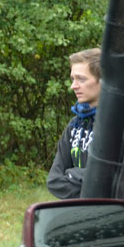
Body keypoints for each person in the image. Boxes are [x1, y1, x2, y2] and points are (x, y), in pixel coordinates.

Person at [47, 48, 101, 199]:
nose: (73, 86)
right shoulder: (75, 125)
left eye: (81, 79)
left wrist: (71, 173)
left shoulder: (118, 125)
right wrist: (89, 182)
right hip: (78, 211)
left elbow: (115, 180)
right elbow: (54, 181)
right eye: (72, 79)